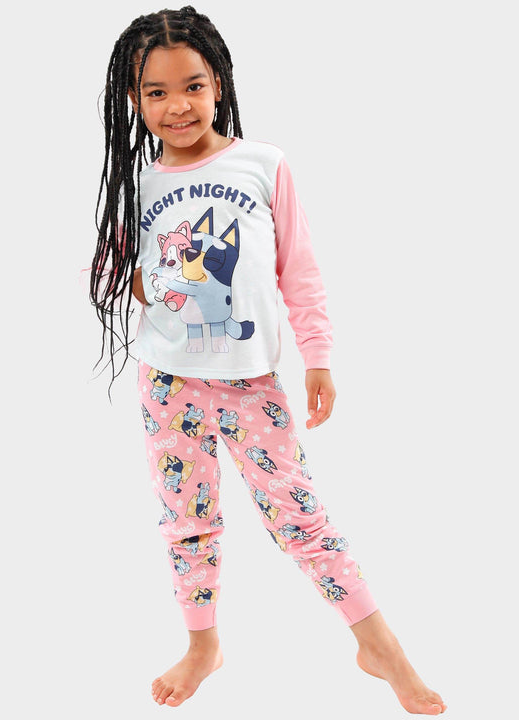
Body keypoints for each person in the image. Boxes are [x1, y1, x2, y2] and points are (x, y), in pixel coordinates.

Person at [89, 6, 447, 714]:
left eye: (192, 86)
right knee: (186, 519)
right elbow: (109, 269)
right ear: (134, 100)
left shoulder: (263, 164)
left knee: (299, 515)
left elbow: (298, 269)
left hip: (249, 383)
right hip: (167, 383)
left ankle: (378, 645)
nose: (177, 106)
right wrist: (150, 276)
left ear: (217, 85)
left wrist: (318, 356)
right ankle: (202, 645)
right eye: (156, 92)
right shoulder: (137, 185)